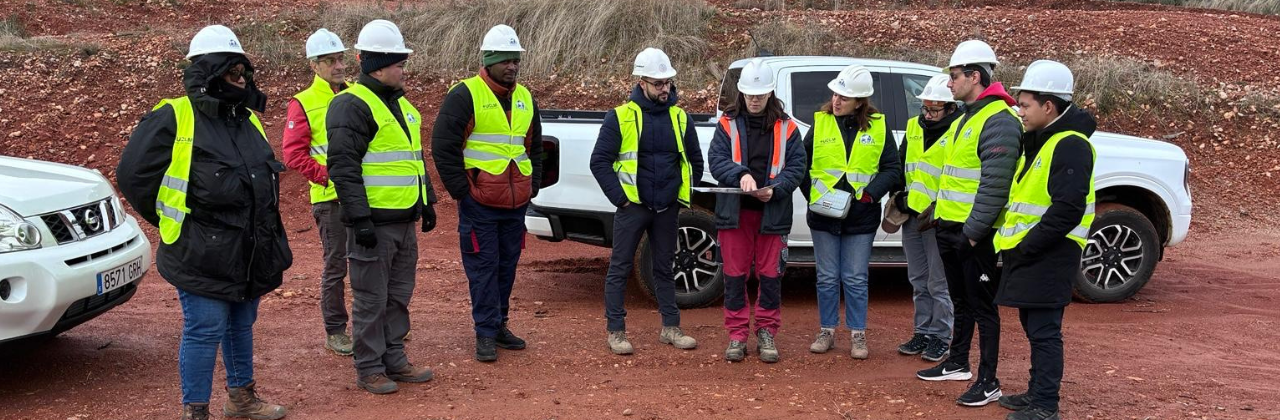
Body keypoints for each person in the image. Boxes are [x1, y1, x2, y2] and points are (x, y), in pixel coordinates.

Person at [117, 25, 290, 420]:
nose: (241, 79)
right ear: (210, 71)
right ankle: (195, 411)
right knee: (206, 328)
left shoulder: (247, 119)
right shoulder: (175, 116)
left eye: (243, 72)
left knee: (241, 323)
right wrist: (173, 219)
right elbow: (133, 176)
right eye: (233, 71)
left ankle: (241, 398)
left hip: (248, 250)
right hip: (200, 250)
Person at [326, 19, 437, 394]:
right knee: (371, 299)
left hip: (404, 220)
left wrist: (427, 200)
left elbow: (414, 159)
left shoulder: (401, 106)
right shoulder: (351, 105)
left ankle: (394, 359)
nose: (403, 69)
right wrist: (360, 219)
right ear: (377, 65)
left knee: (398, 297)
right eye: (398, 63)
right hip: (373, 223)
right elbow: (343, 168)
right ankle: (370, 367)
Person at [914, 39, 1023, 409]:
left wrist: (973, 234)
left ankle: (988, 381)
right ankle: (958, 362)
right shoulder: (969, 115)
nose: (949, 83)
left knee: (983, 307)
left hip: (973, 234)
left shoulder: (999, 119)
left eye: (955, 75)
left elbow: (995, 184)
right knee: (961, 300)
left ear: (975, 76)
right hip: (950, 227)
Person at [430, 24, 543, 362]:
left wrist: (532, 184)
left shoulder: (525, 98)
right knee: (483, 268)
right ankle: (485, 332)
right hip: (480, 203)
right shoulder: (465, 95)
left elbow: (534, 147)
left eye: (516, 60)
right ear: (488, 61)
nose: (512, 66)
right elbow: (443, 146)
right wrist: (462, 192)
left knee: (506, 267)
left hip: (515, 202)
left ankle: (499, 324)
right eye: (505, 60)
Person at [993, 60, 1095, 420]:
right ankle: (1036, 393)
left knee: (1044, 331)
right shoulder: (1043, 140)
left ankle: (1045, 406)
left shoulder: (1070, 145)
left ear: (1048, 106)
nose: (1019, 111)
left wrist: (1028, 246)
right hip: (1034, 251)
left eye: (1025, 105)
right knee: (1034, 328)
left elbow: (1068, 209)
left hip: (1051, 252)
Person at [589, 47, 703, 356]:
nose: (665, 88)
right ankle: (616, 331)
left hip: (667, 207)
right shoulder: (620, 117)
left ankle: (671, 328)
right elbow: (599, 162)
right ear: (642, 82)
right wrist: (621, 200)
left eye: (668, 82)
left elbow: (695, 161)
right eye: (658, 83)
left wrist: (681, 197)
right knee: (620, 267)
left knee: (665, 268)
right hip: (634, 206)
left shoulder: (680, 118)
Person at [800, 65, 902, 360]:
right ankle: (827, 330)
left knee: (855, 277)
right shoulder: (821, 122)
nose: (836, 100)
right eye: (835, 94)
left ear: (859, 102)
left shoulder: (878, 126)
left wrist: (869, 196)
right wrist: (813, 196)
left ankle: (858, 333)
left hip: (861, 215)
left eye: (844, 97)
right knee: (827, 277)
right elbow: (800, 164)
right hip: (823, 215)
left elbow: (892, 168)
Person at [707, 59, 805, 363]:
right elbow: (717, 160)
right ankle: (737, 334)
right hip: (735, 214)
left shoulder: (787, 127)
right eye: (750, 94)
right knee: (734, 276)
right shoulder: (727, 123)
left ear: (770, 93)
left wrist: (776, 188)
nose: (754, 99)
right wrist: (741, 174)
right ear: (742, 92)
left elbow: (797, 167)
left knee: (771, 276)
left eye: (760, 95)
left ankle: (766, 331)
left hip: (772, 214)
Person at [281, 28, 353, 357]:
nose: (339, 66)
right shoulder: (304, 102)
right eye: (330, 61)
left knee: (371, 261)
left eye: (341, 59)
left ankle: (375, 323)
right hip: (330, 199)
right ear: (314, 65)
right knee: (336, 265)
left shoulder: (358, 94)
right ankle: (336, 331)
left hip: (365, 195)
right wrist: (328, 177)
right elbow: (293, 154)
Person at [893, 74, 960, 363]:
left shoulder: (959, 132)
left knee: (938, 283)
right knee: (919, 279)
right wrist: (899, 196)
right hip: (912, 216)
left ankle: (941, 337)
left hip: (939, 217)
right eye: (925, 107)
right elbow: (901, 165)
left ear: (951, 108)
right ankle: (922, 332)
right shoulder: (914, 126)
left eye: (934, 109)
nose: (928, 114)